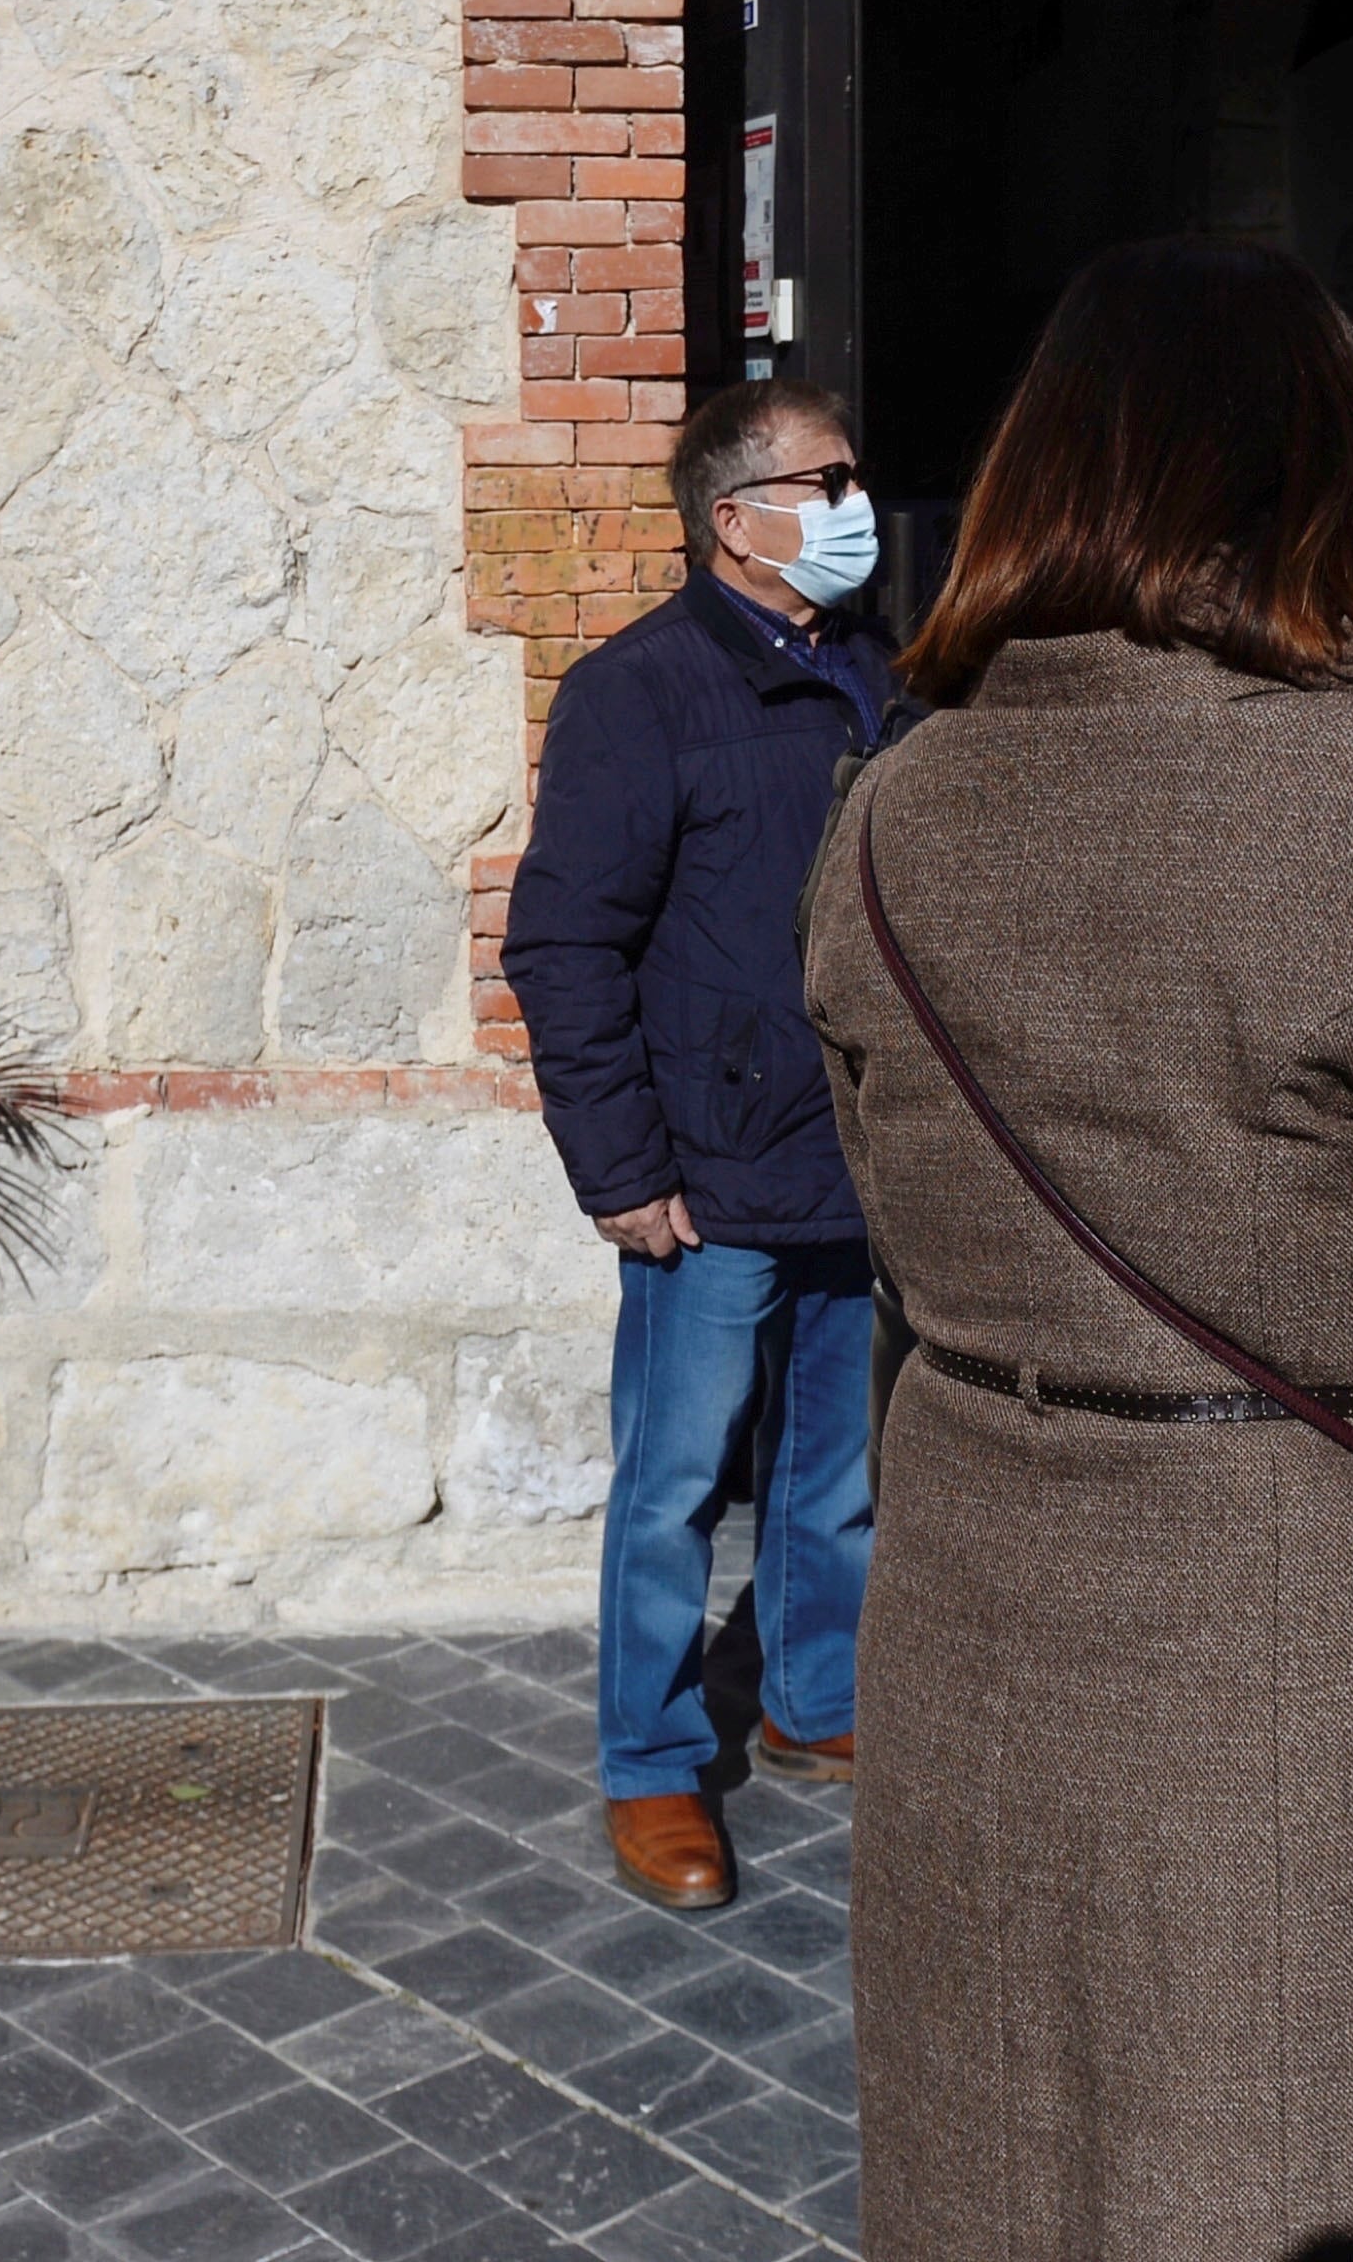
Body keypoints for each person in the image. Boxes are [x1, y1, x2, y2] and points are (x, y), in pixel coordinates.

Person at [801, 237, 1353, 2262]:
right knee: (1330, 2170)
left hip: (974, 1627)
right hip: (1337, 1638)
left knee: (1018, 2175)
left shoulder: (884, 804)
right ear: (1331, 483)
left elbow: (898, 1221)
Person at [500, 378, 900, 1912]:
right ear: (732, 522)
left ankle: (810, 1703)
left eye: (854, 479)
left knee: (831, 1479)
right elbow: (564, 946)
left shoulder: (879, 678)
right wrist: (619, 1171)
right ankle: (654, 1764)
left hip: (851, 1160)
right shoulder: (639, 692)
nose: (853, 507)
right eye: (825, 482)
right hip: (706, 1177)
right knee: (672, 1484)